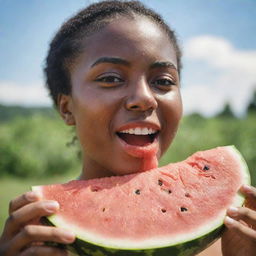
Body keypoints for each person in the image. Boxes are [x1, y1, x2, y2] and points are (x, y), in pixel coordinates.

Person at [0, 1, 255, 255]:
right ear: (67, 108)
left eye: (163, 81)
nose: (144, 98)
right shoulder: (38, 237)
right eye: (111, 78)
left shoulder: (229, 241)